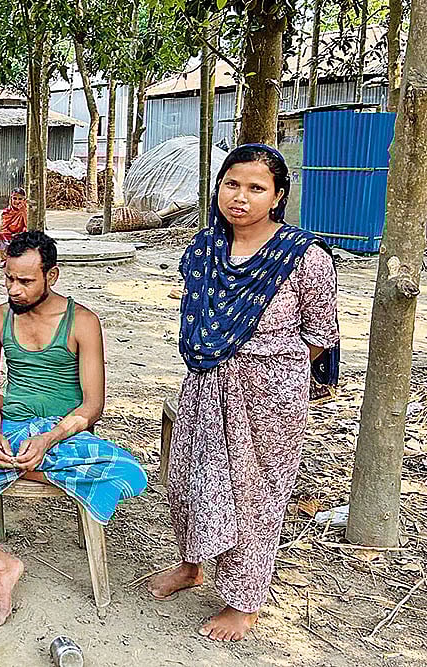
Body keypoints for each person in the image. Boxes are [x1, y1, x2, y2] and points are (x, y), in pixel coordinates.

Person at [147, 144, 339, 641]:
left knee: (255, 496)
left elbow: (321, 336)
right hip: (205, 384)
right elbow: (194, 322)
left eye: (256, 188)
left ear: (277, 197)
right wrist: (220, 360)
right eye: (232, 184)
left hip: (269, 396)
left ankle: (244, 603)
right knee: (192, 480)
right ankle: (192, 566)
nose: (241, 197)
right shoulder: (204, 249)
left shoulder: (304, 256)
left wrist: (271, 369)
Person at [0, 232, 147, 626]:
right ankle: (1, 563)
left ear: (51, 275)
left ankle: (30, 463)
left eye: (25, 281)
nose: (14, 289)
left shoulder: (83, 322)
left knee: (127, 472)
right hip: (12, 431)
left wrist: (49, 438)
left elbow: (92, 405)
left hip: (61, 436)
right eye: (9, 279)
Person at [0, 187, 27, 262]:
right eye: (14, 198)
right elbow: (3, 229)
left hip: (22, 236)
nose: (17, 201)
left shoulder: (27, 211)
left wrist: (23, 212)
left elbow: (27, 225)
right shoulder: (6, 212)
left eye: (20, 199)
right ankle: (5, 258)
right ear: (11, 199)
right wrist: (13, 235)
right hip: (10, 237)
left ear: (24, 200)